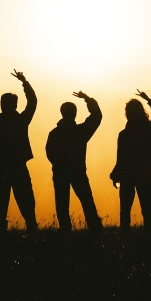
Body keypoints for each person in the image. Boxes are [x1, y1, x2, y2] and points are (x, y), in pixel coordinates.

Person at [0, 69, 38, 233]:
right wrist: (25, 82)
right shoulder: (21, 121)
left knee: (0, 203)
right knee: (26, 201)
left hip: (1, 169)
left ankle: (1, 233)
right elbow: (33, 102)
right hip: (18, 167)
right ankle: (32, 230)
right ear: (15, 105)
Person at [45, 91, 103, 233]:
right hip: (78, 171)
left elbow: (49, 153)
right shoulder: (81, 132)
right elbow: (97, 116)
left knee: (62, 203)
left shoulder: (54, 133)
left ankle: (65, 230)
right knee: (87, 200)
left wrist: (59, 164)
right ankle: (95, 228)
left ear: (62, 113)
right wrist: (87, 99)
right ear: (75, 114)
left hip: (60, 172)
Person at [110, 89, 151, 232]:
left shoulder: (123, 135)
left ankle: (125, 237)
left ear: (127, 114)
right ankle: (149, 237)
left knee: (125, 210)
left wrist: (116, 175)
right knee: (147, 209)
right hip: (144, 173)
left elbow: (121, 158)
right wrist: (149, 99)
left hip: (127, 176)